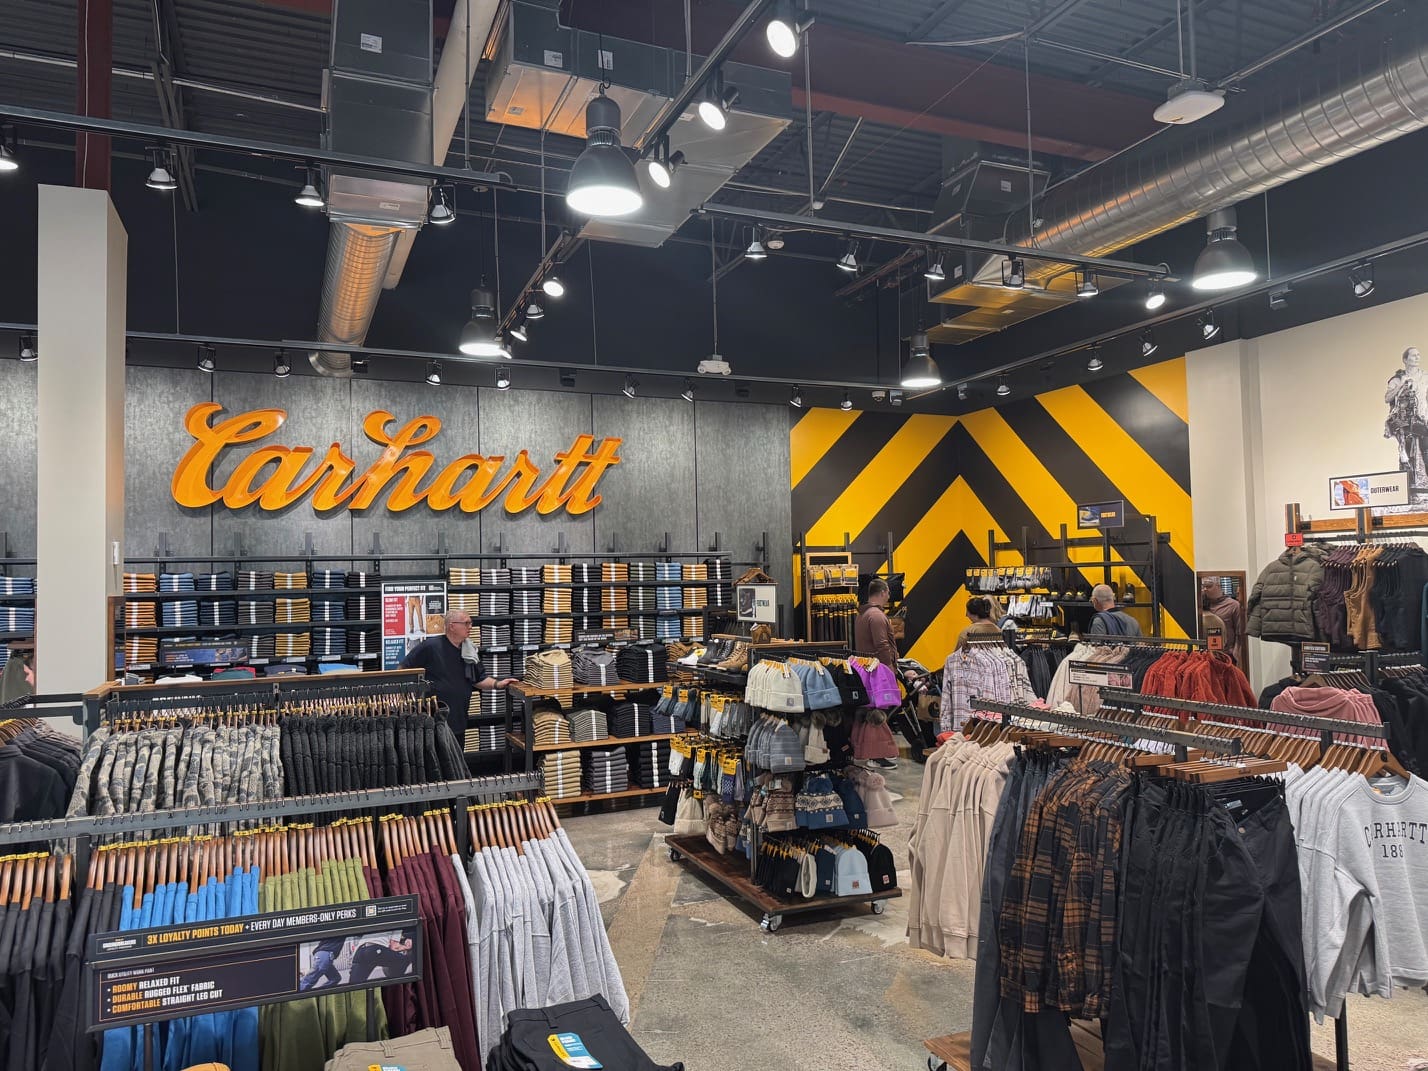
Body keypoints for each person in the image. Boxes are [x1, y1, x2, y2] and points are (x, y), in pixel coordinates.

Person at [401, 610, 517, 741]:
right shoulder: (431, 646)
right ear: (452, 626)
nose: (470, 627)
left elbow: (479, 679)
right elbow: (403, 668)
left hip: (458, 720)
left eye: (471, 623)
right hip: (432, 722)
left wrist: (498, 684)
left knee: (457, 754)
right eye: (466, 623)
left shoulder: (469, 651)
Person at [853, 578, 900, 769]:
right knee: (876, 713)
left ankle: (868, 752)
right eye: (888, 593)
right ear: (882, 592)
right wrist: (889, 669)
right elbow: (882, 645)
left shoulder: (863, 615)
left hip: (866, 669)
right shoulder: (877, 616)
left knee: (869, 713)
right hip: (878, 671)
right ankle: (876, 754)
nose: (889, 596)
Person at [1385, 346, 1428, 497]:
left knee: (1426, 450)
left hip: (1422, 419)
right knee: (1406, 454)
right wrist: (1401, 384)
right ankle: (1408, 491)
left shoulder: (1425, 376)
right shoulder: (1397, 379)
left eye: (1418, 355)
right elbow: (1387, 398)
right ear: (1405, 359)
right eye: (1413, 355)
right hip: (1405, 421)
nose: (1417, 357)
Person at [1200, 576, 1244, 662]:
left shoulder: (1233, 605)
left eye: (1209, 586)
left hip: (1226, 655)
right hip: (1204, 654)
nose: (1205, 589)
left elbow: (1240, 632)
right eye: (1203, 586)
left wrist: (1235, 654)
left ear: (1218, 585)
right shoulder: (1199, 605)